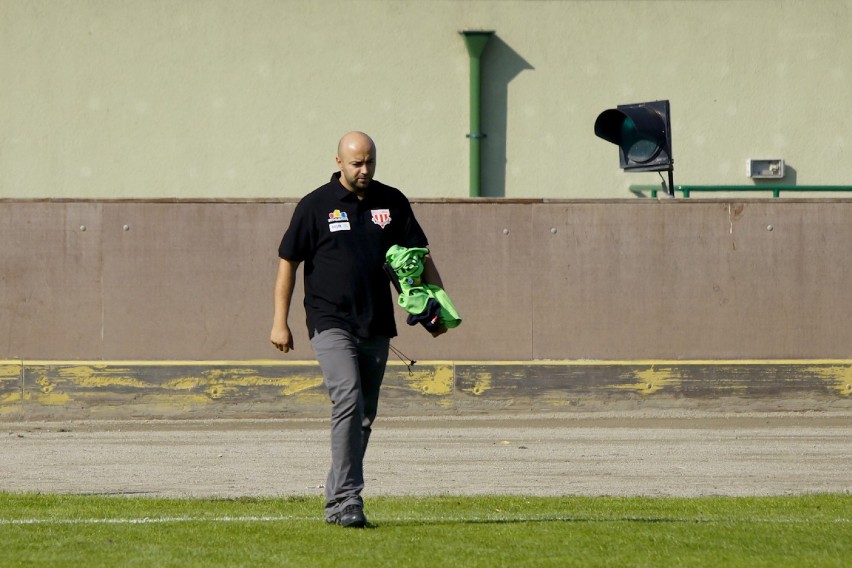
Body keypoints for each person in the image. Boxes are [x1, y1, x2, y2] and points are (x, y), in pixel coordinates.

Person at [270, 131, 448, 528]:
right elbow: (288, 262)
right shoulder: (315, 206)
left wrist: (436, 305)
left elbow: (418, 257)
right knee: (348, 399)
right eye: (356, 163)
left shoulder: (393, 201)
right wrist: (279, 321)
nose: (364, 169)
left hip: (376, 323)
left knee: (364, 415)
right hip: (329, 321)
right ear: (338, 162)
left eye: (369, 162)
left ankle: (337, 501)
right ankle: (350, 500)